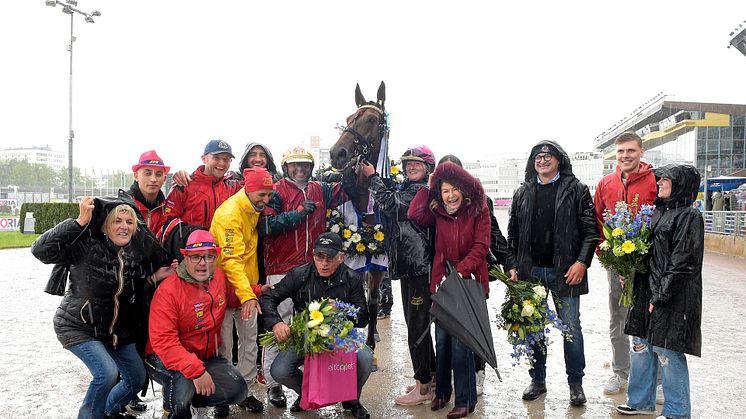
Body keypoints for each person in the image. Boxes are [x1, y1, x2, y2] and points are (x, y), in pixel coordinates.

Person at [31, 196, 172, 419]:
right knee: (106, 374)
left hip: (115, 333)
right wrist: (78, 222)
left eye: (129, 222)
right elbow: (40, 250)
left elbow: (130, 287)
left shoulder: (135, 254)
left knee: (136, 378)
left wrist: (153, 278)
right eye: (117, 221)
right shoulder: (85, 244)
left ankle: (108, 411)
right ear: (106, 225)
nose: (123, 226)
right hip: (78, 326)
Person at [507, 141, 596, 407]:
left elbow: (591, 231)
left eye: (548, 156)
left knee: (571, 329)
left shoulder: (577, 190)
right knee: (533, 328)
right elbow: (512, 233)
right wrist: (512, 265)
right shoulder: (522, 192)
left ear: (559, 160)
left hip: (566, 272)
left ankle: (575, 383)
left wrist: (581, 262)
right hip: (530, 272)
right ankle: (538, 380)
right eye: (538, 156)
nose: (543, 160)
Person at [257, 146, 348, 408]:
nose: (300, 169)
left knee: (312, 327)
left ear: (311, 167)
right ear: (286, 167)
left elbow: (349, 187)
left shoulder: (322, 189)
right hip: (281, 267)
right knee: (279, 327)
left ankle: (309, 386)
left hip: (313, 266)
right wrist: (297, 214)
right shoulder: (274, 191)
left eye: (305, 165)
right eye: (294, 165)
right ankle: (275, 386)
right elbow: (265, 226)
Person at [616, 164, 703, 419]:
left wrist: (661, 296)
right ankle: (640, 401)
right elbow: (646, 251)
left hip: (672, 296)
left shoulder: (689, 216)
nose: (661, 182)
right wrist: (628, 270)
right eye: (661, 178)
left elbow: (683, 262)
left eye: (667, 179)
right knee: (641, 346)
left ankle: (677, 412)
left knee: (667, 351)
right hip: (645, 291)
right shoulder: (656, 211)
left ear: (682, 184)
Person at [408, 161, 491, 418]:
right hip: (442, 282)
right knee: (442, 341)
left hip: (468, 282)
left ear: (464, 190)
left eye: (455, 189)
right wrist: (429, 184)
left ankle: (466, 400)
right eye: (445, 190)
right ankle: (442, 392)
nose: (451, 195)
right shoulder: (438, 212)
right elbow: (413, 214)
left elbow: (481, 246)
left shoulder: (479, 210)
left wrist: (460, 272)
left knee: (462, 344)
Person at [259, 232, 373, 419]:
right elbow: (269, 297)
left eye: (330, 258)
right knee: (279, 370)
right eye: (320, 257)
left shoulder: (352, 278)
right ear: (313, 255)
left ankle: (351, 398)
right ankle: (307, 392)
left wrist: (342, 312)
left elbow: (363, 318)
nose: (324, 263)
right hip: (306, 337)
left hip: (340, 337)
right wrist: (276, 323)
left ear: (341, 257)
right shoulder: (299, 274)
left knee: (366, 358)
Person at [362, 145, 437, 406]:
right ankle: (431, 378)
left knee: (416, 326)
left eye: (417, 163)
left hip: (417, 267)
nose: (411, 167)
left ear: (428, 167)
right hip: (411, 266)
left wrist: (373, 178)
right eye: (408, 163)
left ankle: (423, 387)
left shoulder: (421, 190)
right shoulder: (409, 187)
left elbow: (391, 204)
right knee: (419, 325)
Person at [438, 154, 517, 397]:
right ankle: (455, 375)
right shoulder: (437, 204)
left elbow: (494, 234)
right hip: (447, 276)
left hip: (473, 275)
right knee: (450, 325)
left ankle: (479, 371)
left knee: (475, 325)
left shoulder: (481, 202)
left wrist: (509, 262)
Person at [145, 230, 248, 418]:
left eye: (209, 256)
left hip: (202, 355)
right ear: (185, 257)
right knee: (182, 383)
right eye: (196, 257)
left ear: (216, 257)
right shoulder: (169, 291)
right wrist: (197, 372)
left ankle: (190, 396)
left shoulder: (218, 277)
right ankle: (176, 409)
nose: (203, 263)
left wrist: (253, 295)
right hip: (161, 357)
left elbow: (231, 297)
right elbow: (163, 342)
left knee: (238, 389)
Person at [593, 131, 658, 395]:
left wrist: (647, 256)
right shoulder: (605, 183)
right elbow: (597, 221)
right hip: (615, 263)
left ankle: (658, 379)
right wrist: (608, 256)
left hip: (649, 262)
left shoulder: (655, 180)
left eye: (631, 151)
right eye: (620, 152)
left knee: (652, 317)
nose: (625, 156)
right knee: (618, 318)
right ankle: (621, 373)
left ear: (641, 152)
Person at [209, 167, 276, 414]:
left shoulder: (252, 208)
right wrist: (248, 294)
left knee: (249, 344)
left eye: (269, 195)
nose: (266, 200)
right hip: (224, 291)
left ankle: (244, 391)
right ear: (247, 189)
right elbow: (230, 260)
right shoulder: (230, 214)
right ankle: (224, 394)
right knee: (224, 345)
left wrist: (253, 290)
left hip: (247, 289)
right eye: (262, 194)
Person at [164, 140, 241, 229]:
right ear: (204, 159)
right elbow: (167, 222)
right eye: (216, 158)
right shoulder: (184, 184)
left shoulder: (233, 188)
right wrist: (192, 235)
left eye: (226, 159)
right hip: (191, 242)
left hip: (225, 242)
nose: (222, 163)